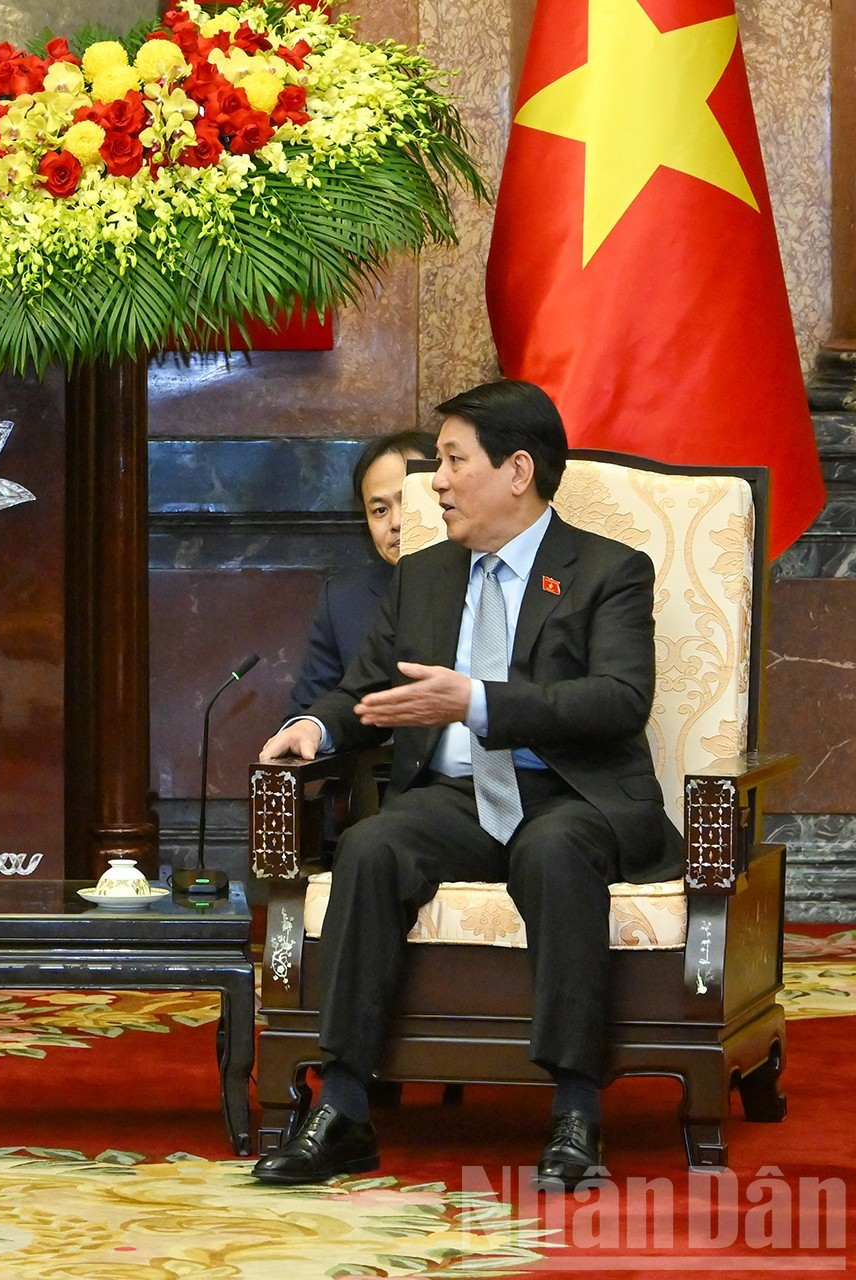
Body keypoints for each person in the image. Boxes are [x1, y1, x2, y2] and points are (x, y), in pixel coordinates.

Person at [250, 380, 678, 1192]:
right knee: (373, 845)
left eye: (452, 461)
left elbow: (620, 700)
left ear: (517, 471)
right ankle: (342, 1108)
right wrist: (318, 728)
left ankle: (575, 1112)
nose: (435, 482)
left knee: (554, 852)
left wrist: (477, 702)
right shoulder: (426, 576)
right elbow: (365, 686)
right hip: (455, 800)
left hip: (570, 795)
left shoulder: (607, 571)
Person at [287, 430, 439, 717]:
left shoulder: (490, 579)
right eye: (380, 510)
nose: (396, 522)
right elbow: (308, 709)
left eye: (408, 502)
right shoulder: (344, 600)